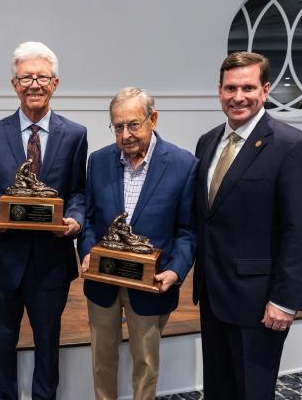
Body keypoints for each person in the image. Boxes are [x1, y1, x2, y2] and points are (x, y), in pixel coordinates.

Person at [193, 51, 302, 399]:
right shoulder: (207, 143)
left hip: (258, 301)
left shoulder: (294, 147)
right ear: (219, 91)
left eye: (248, 87)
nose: (238, 97)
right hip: (213, 293)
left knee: (252, 391)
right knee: (218, 388)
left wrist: (285, 300)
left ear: (265, 90)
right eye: (230, 88)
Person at [0, 41, 87, 400]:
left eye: (42, 77)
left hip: (50, 262)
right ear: (14, 84)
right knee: (2, 347)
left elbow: (78, 192)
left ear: (55, 83)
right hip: (2, 261)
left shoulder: (75, 134)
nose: (34, 84)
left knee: (48, 348)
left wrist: (75, 219)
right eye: (25, 77)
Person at [78, 87, 197, 400]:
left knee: (145, 362)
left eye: (134, 124)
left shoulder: (183, 164)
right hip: (103, 282)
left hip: (151, 285)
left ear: (153, 119)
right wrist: (87, 251)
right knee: (102, 359)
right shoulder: (99, 161)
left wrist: (175, 271)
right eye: (119, 126)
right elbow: (89, 220)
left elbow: (187, 229)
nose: (126, 134)